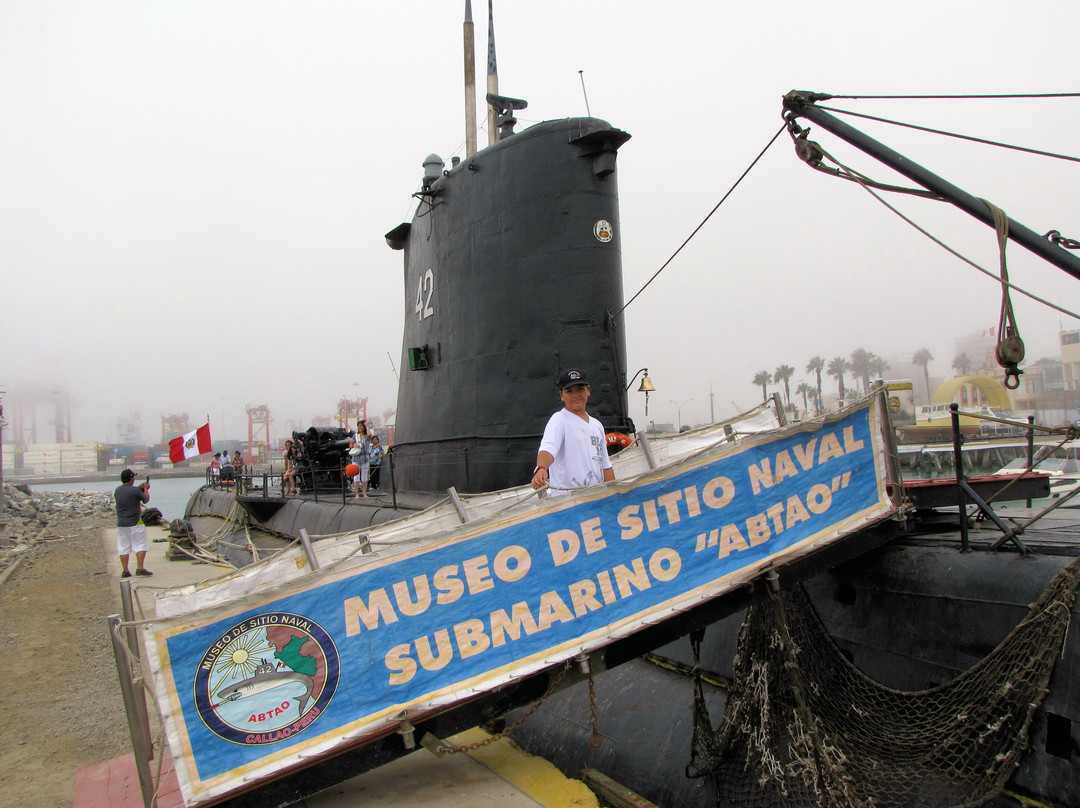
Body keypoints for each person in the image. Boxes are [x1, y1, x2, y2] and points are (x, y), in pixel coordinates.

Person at [531, 369, 615, 494]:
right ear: (561, 395)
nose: (576, 395)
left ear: (588, 390)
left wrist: (614, 493)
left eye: (580, 389)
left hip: (595, 496)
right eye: (569, 391)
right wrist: (542, 468)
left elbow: (605, 464)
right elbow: (548, 448)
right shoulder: (559, 419)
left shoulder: (597, 425)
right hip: (567, 499)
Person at [114, 468, 153, 577]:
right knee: (140, 544)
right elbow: (146, 499)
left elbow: (129, 492)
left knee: (123, 547)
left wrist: (138, 488)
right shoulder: (135, 490)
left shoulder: (118, 490)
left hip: (122, 523)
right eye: (133, 477)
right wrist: (146, 489)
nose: (134, 479)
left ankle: (125, 570)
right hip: (135, 522)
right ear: (131, 478)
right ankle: (140, 568)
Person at [349, 420, 373, 499]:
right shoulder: (355, 436)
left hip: (365, 458)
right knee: (356, 477)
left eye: (361, 426)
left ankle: (364, 493)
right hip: (356, 458)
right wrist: (354, 446)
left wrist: (367, 426)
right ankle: (356, 494)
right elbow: (350, 445)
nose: (359, 427)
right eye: (358, 426)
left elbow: (370, 435)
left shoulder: (366, 436)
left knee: (364, 477)